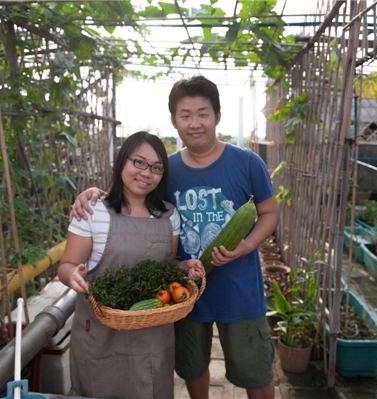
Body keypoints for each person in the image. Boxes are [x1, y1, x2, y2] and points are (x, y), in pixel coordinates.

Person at [70, 76, 280, 399]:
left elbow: (269, 213)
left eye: (203, 113)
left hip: (239, 290)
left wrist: (247, 246)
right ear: (174, 121)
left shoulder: (247, 162)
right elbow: (133, 193)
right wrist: (95, 193)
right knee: (192, 366)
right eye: (185, 115)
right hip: (182, 291)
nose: (194, 123)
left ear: (217, 117)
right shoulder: (164, 170)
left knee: (255, 369)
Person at [59, 131, 202, 398]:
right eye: (138, 162)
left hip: (153, 334)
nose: (147, 173)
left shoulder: (169, 215)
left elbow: (168, 265)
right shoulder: (92, 211)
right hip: (99, 334)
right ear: (122, 161)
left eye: (156, 167)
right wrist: (72, 276)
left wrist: (185, 268)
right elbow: (67, 264)